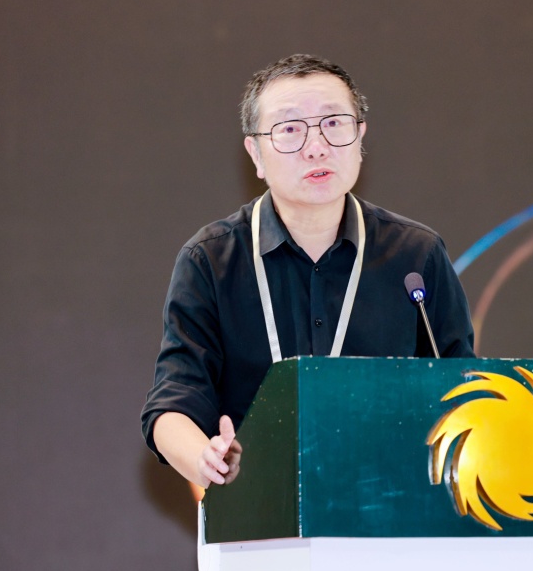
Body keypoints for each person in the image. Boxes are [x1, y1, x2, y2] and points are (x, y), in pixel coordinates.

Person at [141, 54, 475, 491]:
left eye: (334, 123)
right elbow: (172, 404)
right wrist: (205, 460)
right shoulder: (211, 260)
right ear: (256, 154)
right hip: (259, 504)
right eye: (290, 129)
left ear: (360, 137)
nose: (316, 146)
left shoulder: (416, 256)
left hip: (389, 503)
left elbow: (465, 392)